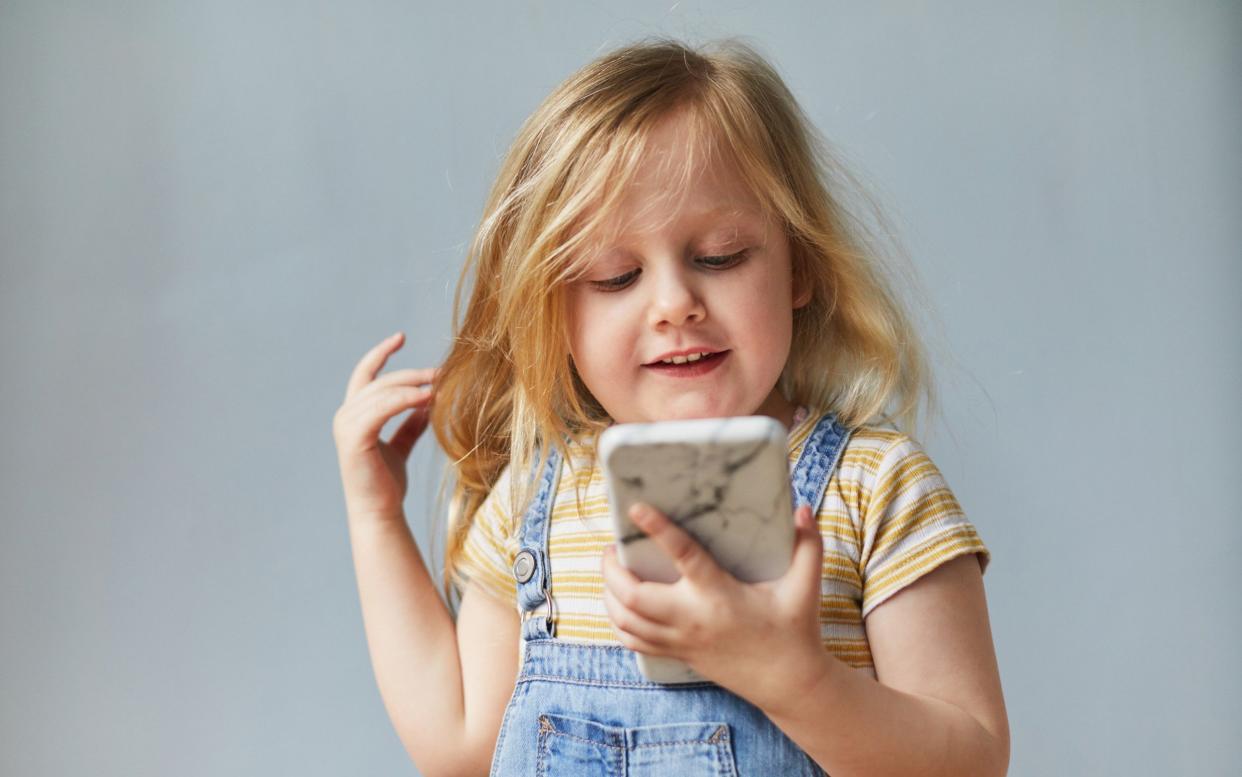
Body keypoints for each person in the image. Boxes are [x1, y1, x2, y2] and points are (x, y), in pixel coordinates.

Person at [333, 38, 1009, 777]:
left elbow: (970, 761)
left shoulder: (873, 490)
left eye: (719, 256)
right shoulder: (536, 499)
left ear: (800, 269)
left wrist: (799, 682)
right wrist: (376, 516)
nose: (674, 304)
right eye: (616, 275)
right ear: (554, 314)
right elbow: (460, 746)